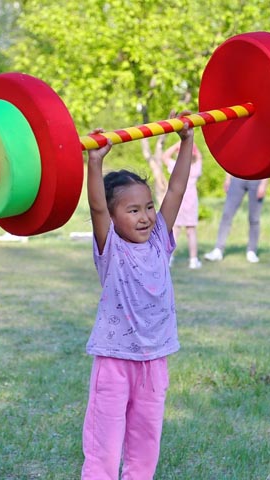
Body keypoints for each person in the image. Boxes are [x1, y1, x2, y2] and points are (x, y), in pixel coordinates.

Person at [81, 112, 194, 480]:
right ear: (113, 219)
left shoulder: (160, 239)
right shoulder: (111, 248)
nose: (145, 216)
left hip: (155, 361)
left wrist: (188, 140)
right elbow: (97, 206)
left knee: (146, 443)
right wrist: (95, 162)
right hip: (114, 360)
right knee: (105, 446)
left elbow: (175, 191)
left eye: (147, 207)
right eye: (133, 210)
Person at [203, 174, 268, 263]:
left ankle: (252, 251)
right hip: (238, 177)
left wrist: (264, 184)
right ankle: (218, 250)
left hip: (257, 179)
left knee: (254, 218)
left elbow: (267, 162)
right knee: (227, 215)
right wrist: (228, 178)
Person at [163, 139, 203, 269]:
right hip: (191, 201)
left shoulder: (176, 166)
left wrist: (177, 145)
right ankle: (193, 260)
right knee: (191, 231)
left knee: (175, 230)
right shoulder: (196, 168)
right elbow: (200, 157)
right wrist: (193, 146)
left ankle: (169, 258)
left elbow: (164, 156)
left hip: (178, 201)